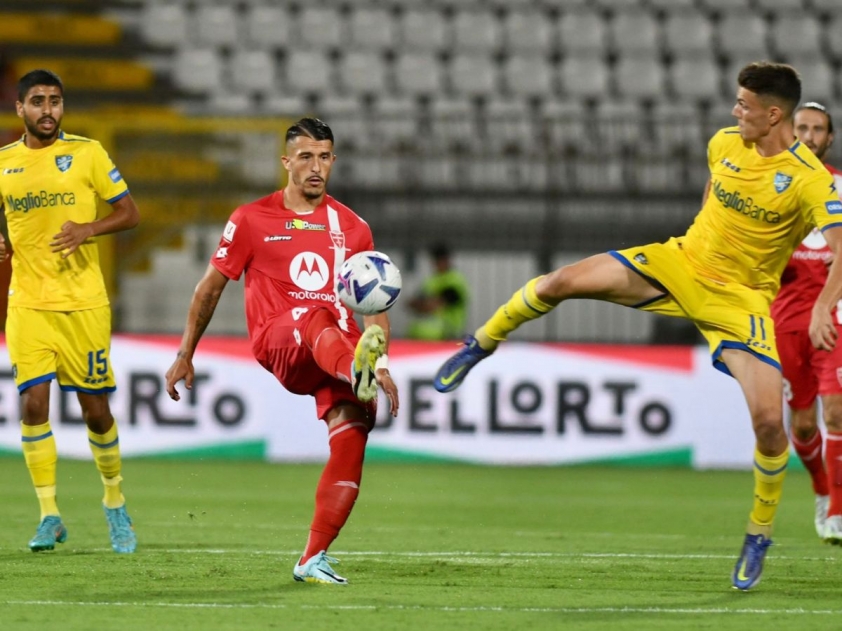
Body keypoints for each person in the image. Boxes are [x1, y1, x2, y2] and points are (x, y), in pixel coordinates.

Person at [433, 62, 842, 590]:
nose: (734, 111)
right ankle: (482, 343)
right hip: (681, 264)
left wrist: (820, 307)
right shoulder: (724, 144)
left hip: (740, 301)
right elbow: (714, 194)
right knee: (560, 282)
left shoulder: (809, 179)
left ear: (773, 115)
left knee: (769, 424)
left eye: (744, 105)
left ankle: (759, 533)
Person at [164, 117, 399, 585]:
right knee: (316, 315)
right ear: (286, 161)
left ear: (333, 160)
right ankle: (354, 370)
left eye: (324, 157)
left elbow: (374, 306)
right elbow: (209, 289)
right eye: (306, 157)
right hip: (280, 339)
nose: (316, 166)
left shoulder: (354, 228)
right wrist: (185, 352)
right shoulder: (251, 219)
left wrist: (382, 362)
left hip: (335, 345)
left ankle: (313, 558)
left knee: (355, 429)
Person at [0, 69, 140, 553]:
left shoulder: (88, 153)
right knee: (33, 403)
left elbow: (130, 212)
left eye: (55, 101)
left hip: (83, 302)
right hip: (27, 303)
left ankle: (114, 501)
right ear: (20, 108)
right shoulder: (4, 162)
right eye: (38, 101)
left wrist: (87, 229)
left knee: (95, 411)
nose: (48, 110)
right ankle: (49, 515)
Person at [773, 101, 842, 544]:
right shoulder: (771, 186)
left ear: (829, 138)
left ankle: (837, 509)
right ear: (790, 132)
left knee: (836, 412)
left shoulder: (840, 187)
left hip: (834, 316)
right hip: (785, 320)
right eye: (802, 128)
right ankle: (821, 489)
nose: (810, 136)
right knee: (801, 424)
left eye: (818, 129)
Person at [407, 243, 469, 340]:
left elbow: (435, 304)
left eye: (439, 260)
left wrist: (423, 304)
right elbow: (412, 303)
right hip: (423, 334)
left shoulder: (455, 280)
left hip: (448, 334)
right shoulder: (431, 280)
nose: (436, 263)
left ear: (447, 260)